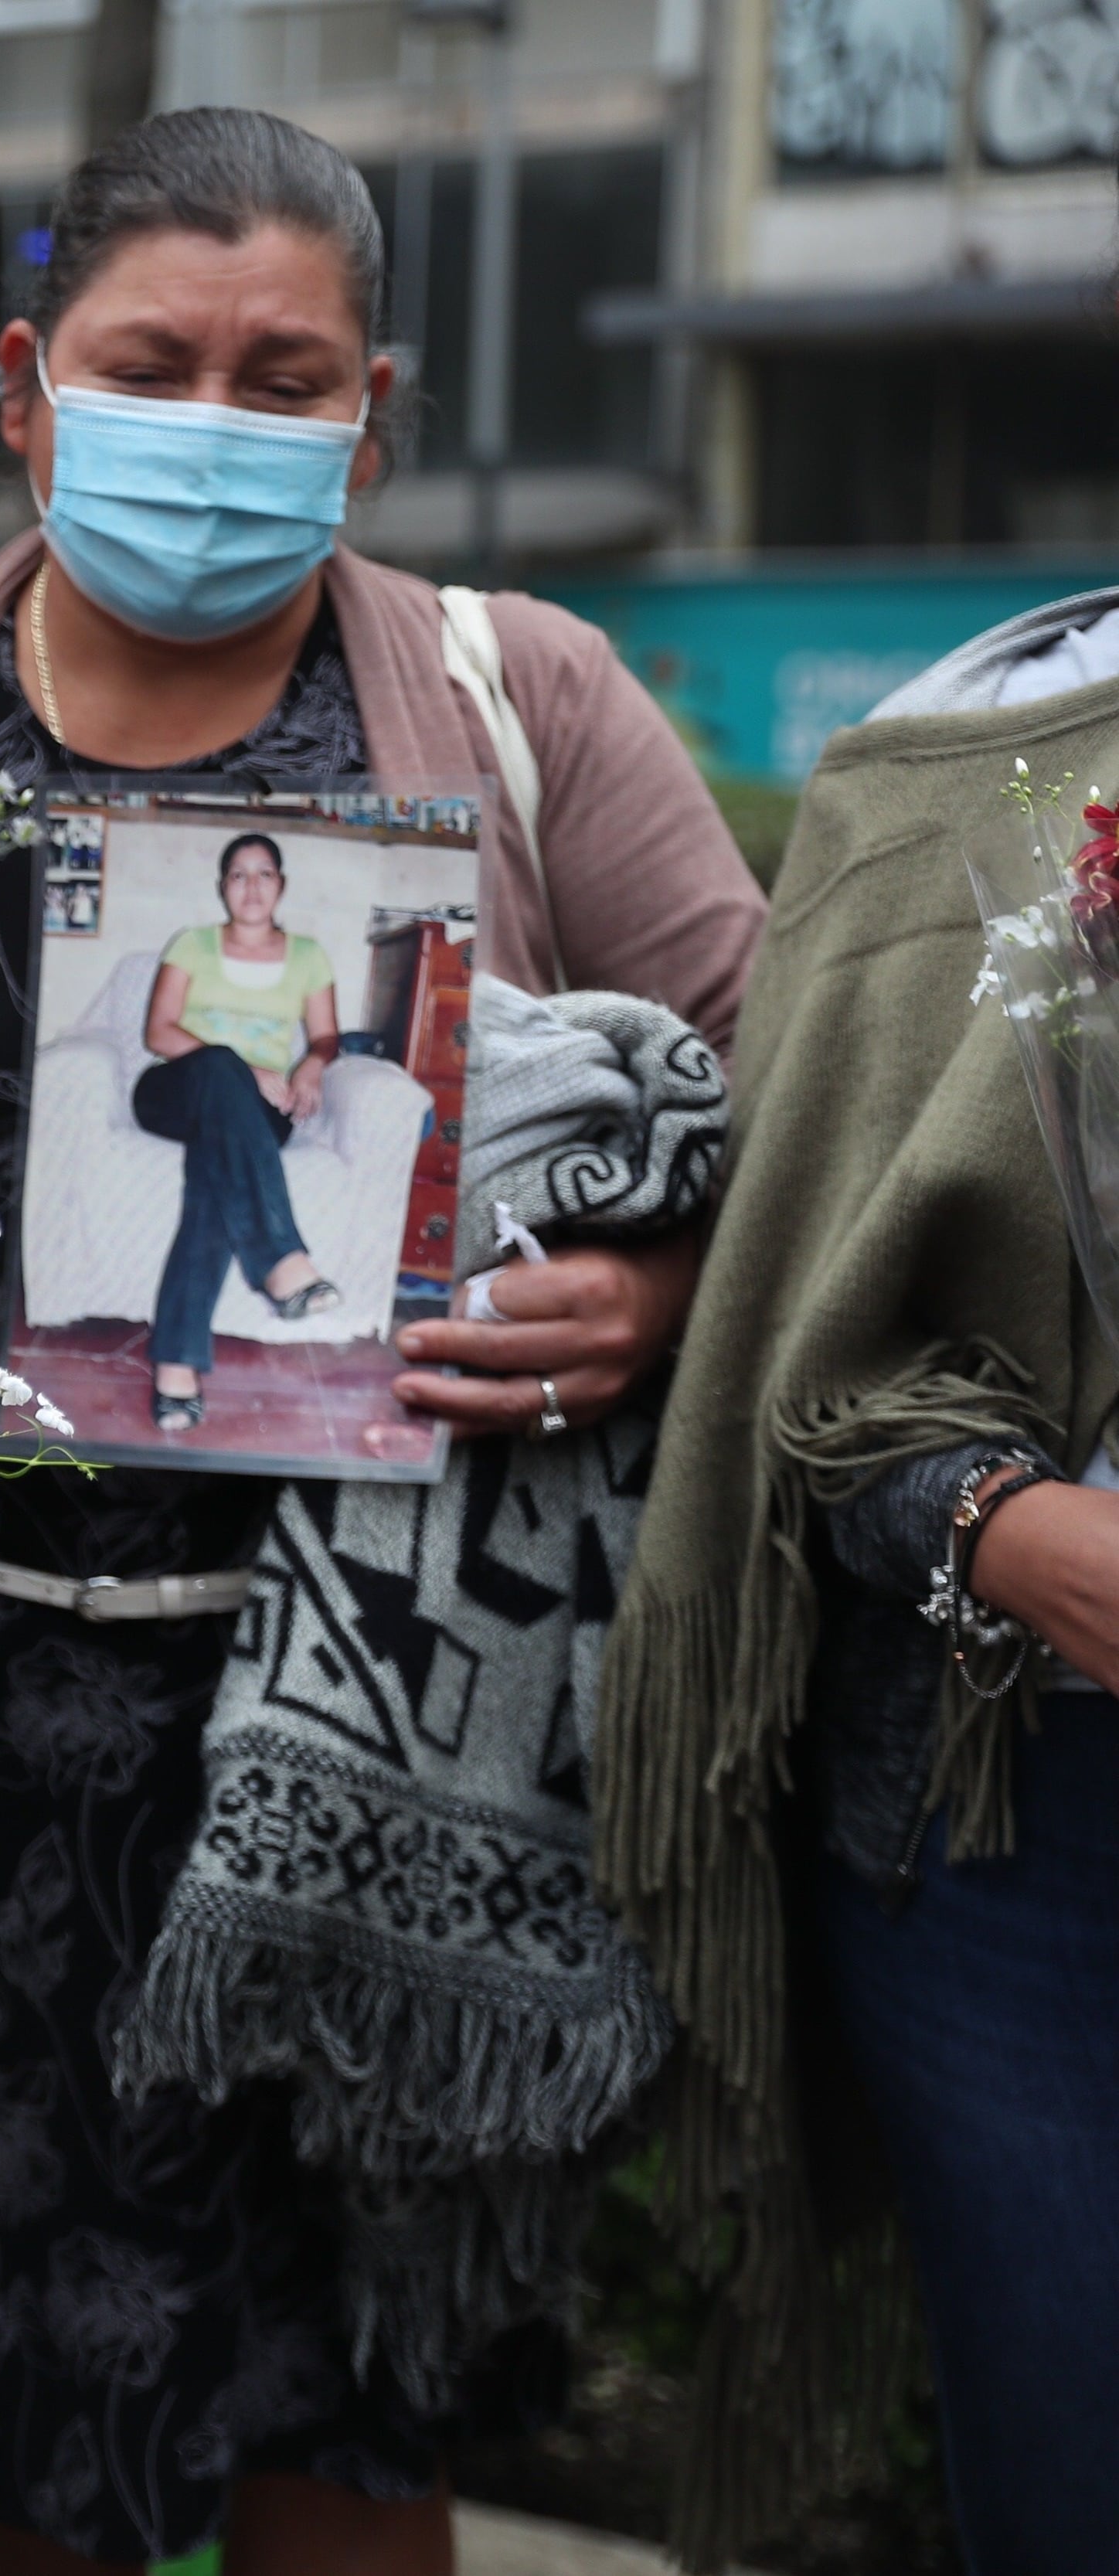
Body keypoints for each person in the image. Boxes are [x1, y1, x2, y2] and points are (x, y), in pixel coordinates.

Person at [0, 108, 768, 2576]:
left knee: (352, 2466)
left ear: (374, 408)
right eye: (151, 363)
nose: (215, 421)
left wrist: (646, 1300)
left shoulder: (512, 688)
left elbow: (794, 1103)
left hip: (371, 1770)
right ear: (25, 386)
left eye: (282, 374)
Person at [599, 582, 1119, 2573]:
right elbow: (804, 1343)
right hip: (1028, 1799)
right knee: (1069, 2467)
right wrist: (1006, 1523)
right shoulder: (959, 750)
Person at [135, 829, 339, 1430]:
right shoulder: (192, 944)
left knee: (212, 1176)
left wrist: (313, 1062)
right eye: (238, 874)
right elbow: (160, 1032)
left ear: (281, 885)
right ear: (223, 886)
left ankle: (176, 1360)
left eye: (265, 873)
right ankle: (282, 1260)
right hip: (177, 1090)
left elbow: (327, 1035)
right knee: (222, 1064)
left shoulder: (308, 955)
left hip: (255, 1117)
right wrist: (247, 1067)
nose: (252, 886)